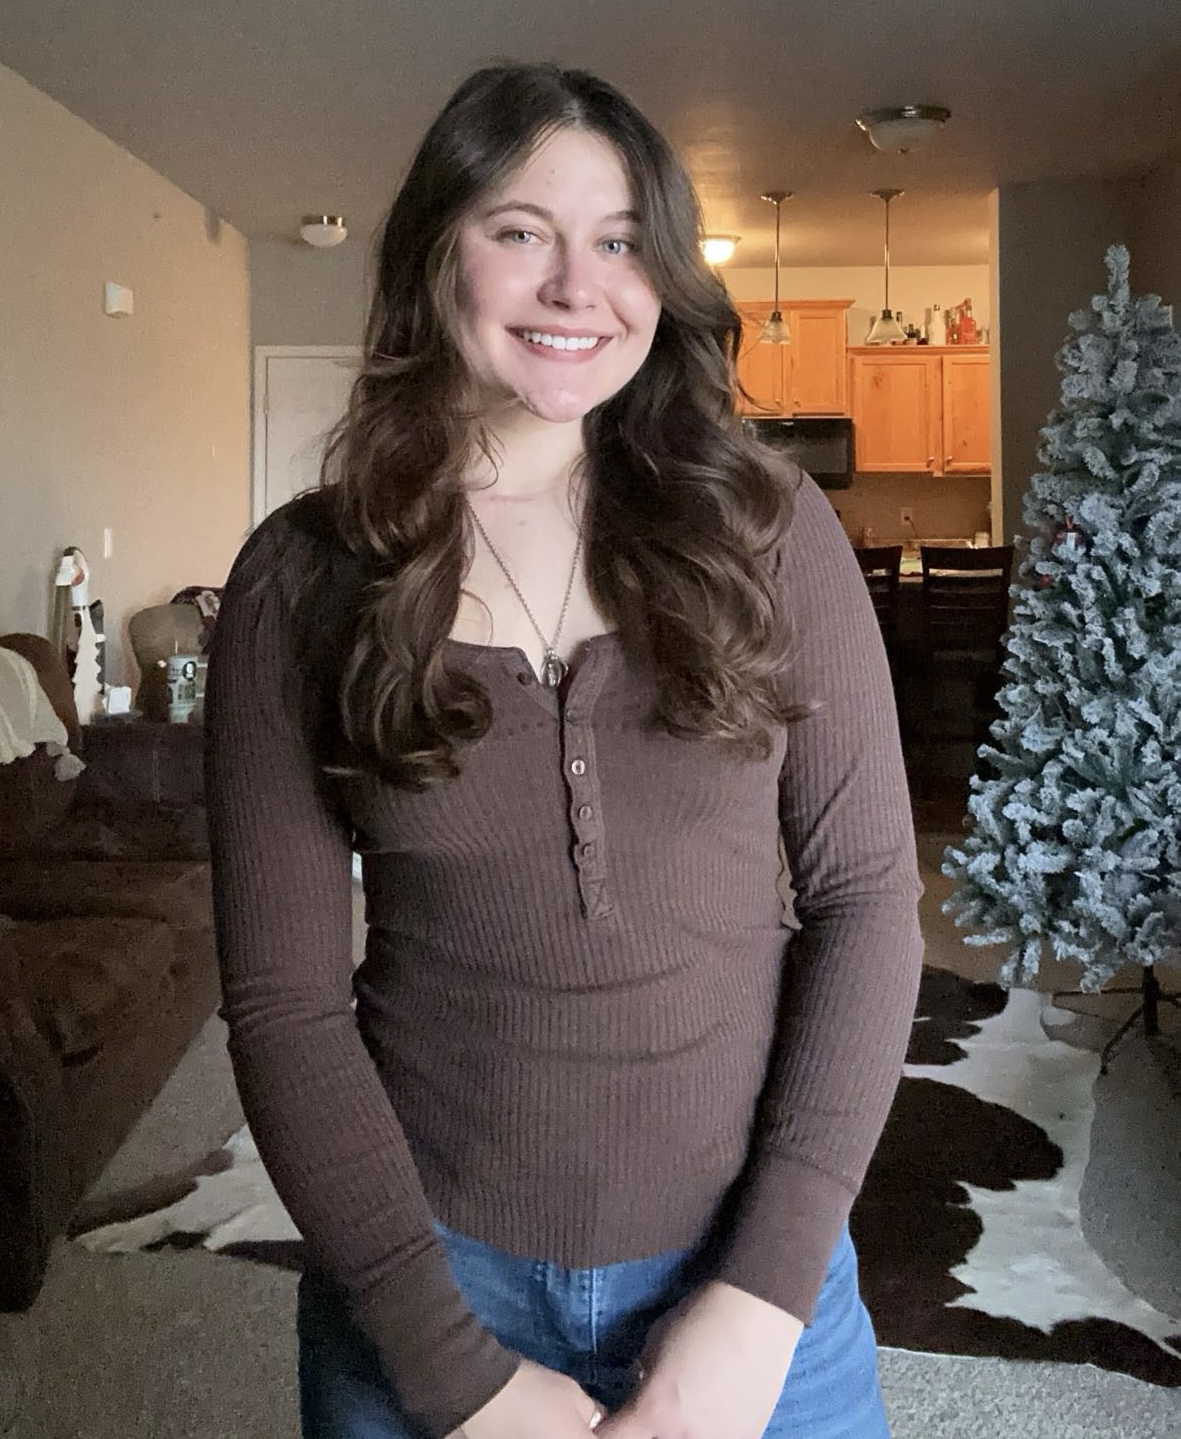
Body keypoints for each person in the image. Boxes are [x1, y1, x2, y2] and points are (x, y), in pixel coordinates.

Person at [205, 61, 923, 1439]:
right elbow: (283, 1006)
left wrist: (763, 1298)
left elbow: (865, 903)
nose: (576, 286)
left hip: (752, 1280)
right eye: (519, 229)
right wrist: (450, 1370)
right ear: (435, 256)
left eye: (618, 242)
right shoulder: (297, 582)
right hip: (429, 1292)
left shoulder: (769, 530)